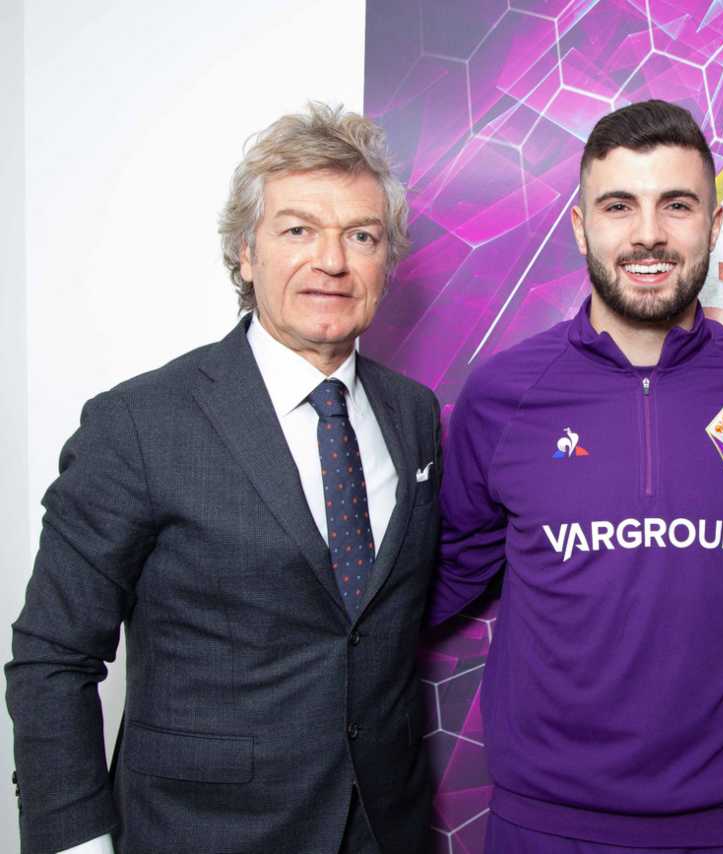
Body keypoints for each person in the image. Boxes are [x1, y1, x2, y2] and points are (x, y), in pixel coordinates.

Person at [6, 104, 441, 854]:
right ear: (245, 252)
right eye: (297, 230)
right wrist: (75, 843)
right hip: (201, 830)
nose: (331, 261)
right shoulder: (139, 424)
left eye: (361, 236)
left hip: (384, 827)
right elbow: (54, 654)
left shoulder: (414, 415)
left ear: (386, 261)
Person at [431, 99, 723, 852]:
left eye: (676, 205)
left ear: (714, 224)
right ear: (581, 228)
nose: (648, 234)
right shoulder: (503, 395)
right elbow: (433, 581)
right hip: (544, 826)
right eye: (619, 206)